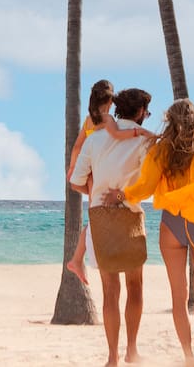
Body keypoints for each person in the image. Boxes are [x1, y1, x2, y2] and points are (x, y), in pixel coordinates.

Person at [105, 99, 194, 365]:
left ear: (170, 120)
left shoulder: (160, 152)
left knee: (179, 299)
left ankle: (188, 355)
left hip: (171, 225)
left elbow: (144, 187)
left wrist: (121, 194)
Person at [68, 87, 156, 367]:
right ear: (141, 112)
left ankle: (112, 358)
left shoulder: (95, 140)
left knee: (110, 292)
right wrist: (123, 194)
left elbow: (75, 182)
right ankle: (131, 350)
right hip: (130, 216)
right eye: (147, 111)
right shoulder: (145, 141)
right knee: (135, 287)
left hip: (100, 217)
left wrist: (97, 194)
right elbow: (149, 187)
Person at [65, 79, 153, 284]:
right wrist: (139, 132)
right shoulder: (109, 121)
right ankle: (77, 260)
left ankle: (77, 259)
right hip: (116, 195)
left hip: (92, 172)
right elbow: (117, 135)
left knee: (94, 217)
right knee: (134, 287)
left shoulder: (90, 121)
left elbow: (78, 147)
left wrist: (72, 168)